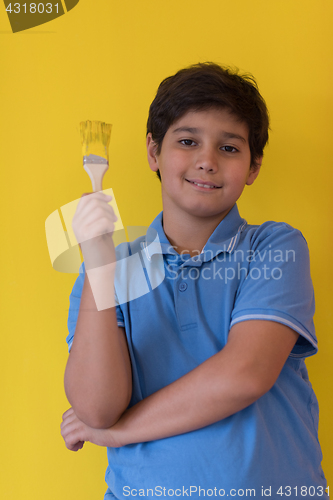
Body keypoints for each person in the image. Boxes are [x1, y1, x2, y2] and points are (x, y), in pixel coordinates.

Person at [61, 62, 329, 499]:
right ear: (153, 152)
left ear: (254, 165)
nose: (206, 161)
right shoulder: (110, 270)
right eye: (188, 141)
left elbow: (244, 375)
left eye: (229, 148)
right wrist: (98, 265)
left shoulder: (275, 247)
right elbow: (95, 407)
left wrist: (120, 433)